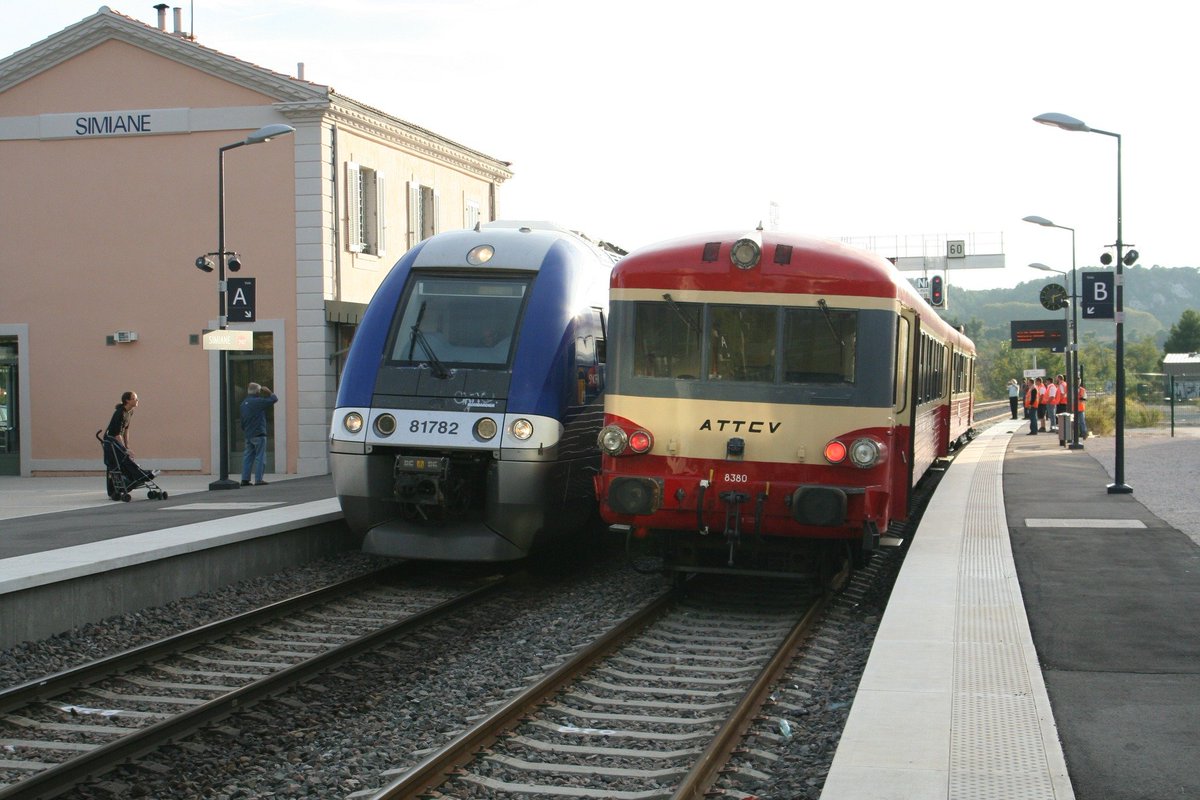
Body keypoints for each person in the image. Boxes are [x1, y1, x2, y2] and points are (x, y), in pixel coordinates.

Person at [102, 390, 157, 493]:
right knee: (118, 463)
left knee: (124, 460)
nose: (137, 400)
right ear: (127, 401)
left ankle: (137, 476)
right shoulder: (120, 413)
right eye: (134, 398)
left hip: (118, 439)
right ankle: (135, 477)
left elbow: (126, 430)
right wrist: (124, 450)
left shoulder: (130, 411)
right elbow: (117, 434)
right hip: (111, 440)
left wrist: (127, 446)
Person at [239, 382, 278, 486]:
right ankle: (258, 479)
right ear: (257, 392)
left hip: (248, 434)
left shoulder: (244, 403)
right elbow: (274, 399)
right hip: (259, 433)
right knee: (260, 456)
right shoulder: (258, 401)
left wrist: (245, 430)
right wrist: (269, 391)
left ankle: (245, 479)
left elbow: (242, 421)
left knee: (248, 456)